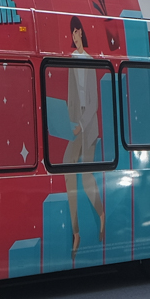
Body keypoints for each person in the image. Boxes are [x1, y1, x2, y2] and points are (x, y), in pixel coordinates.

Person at [63, 16, 107, 252]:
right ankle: (76, 232)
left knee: (86, 176)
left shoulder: (90, 61)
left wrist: (79, 124)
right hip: (75, 124)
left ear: (80, 32)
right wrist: (65, 121)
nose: (73, 36)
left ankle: (101, 216)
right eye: (71, 33)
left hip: (88, 125)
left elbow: (93, 104)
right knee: (67, 170)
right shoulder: (71, 60)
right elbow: (71, 97)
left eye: (75, 32)